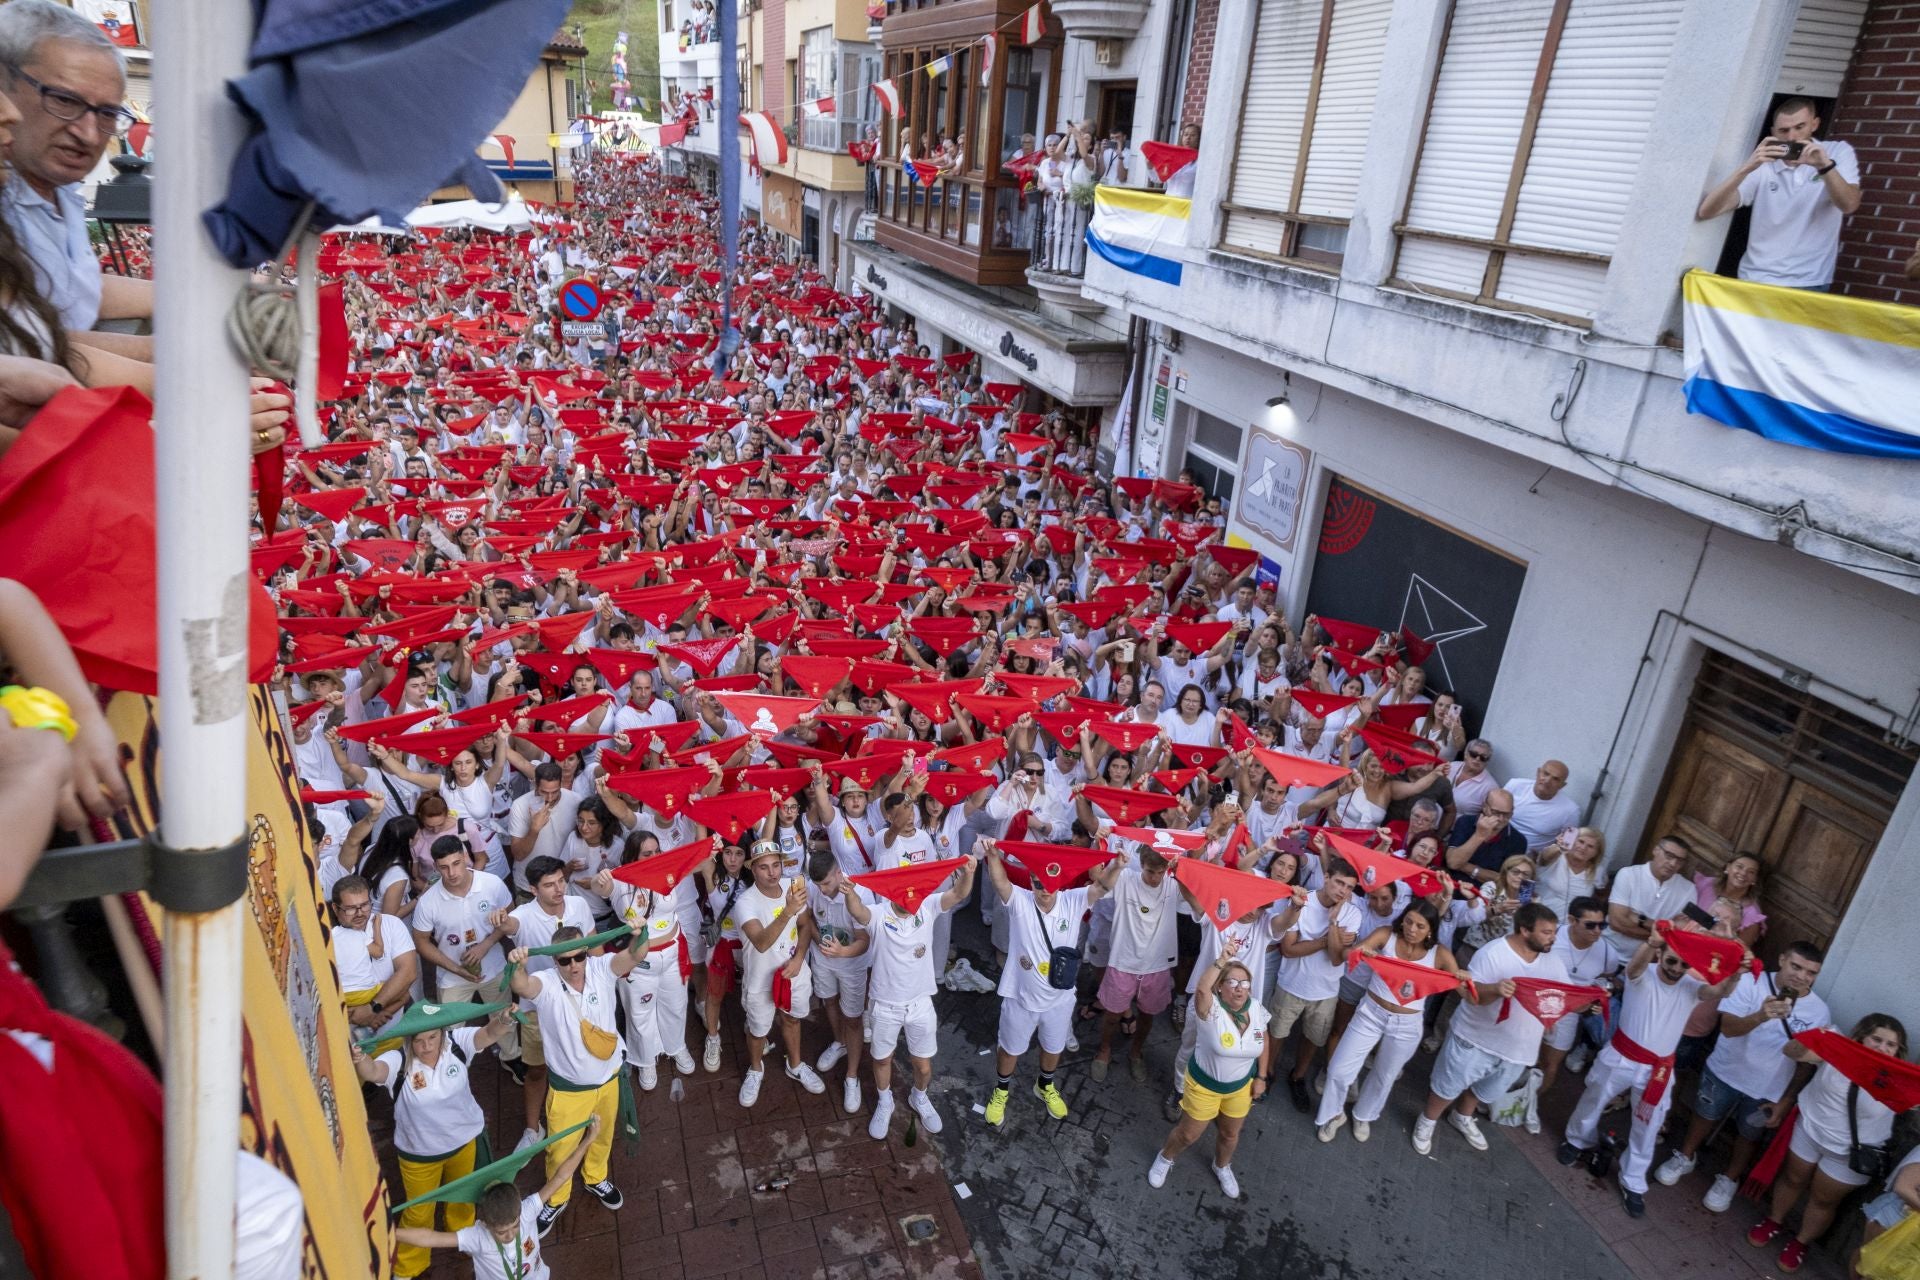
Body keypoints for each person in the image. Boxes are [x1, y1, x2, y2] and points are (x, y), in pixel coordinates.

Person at [1556, 933, 1742, 1218]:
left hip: (1658, 1070)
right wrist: (1652, 942)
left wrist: (1737, 972)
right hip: (1622, 1056)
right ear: (1659, 955)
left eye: (1682, 964)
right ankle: (1576, 1140)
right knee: (1593, 1099)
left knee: (1649, 1125)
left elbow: (1721, 992)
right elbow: (1632, 968)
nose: (1676, 969)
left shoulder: (1692, 986)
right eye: (1671, 961)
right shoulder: (1641, 974)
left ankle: (1632, 1181)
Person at [1655, 940, 1832, 1212]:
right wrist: (1761, 1015)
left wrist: (1785, 1102)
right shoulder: (1751, 981)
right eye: (1796, 966)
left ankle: (1729, 1179)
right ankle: (1686, 1156)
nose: (1802, 976)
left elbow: (1805, 1065)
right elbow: (1727, 1028)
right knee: (1704, 1116)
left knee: (1749, 1135)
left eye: (1811, 973)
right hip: (1724, 1070)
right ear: (1782, 959)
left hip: (1769, 1088)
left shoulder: (1819, 1011)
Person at [351, 1007, 515, 1279]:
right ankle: (407, 1267)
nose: (426, 1046)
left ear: (442, 1034)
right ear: (408, 1040)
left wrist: (504, 1020)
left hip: (464, 1144)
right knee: (418, 1212)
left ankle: (462, 1241)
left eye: (432, 1037)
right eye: (418, 1040)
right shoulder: (398, 1060)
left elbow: (488, 1034)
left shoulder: (458, 1044)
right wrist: (360, 1059)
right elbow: (373, 1071)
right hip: (419, 1156)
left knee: (463, 1202)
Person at [505, 926, 644, 1235]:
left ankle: (596, 1178)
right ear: (554, 961)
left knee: (603, 1136)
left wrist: (640, 931)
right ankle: (556, 1197)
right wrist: (517, 964)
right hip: (569, 1091)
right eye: (565, 961)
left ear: (585, 954)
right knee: (560, 1150)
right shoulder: (547, 983)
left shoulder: (600, 967)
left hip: (608, 1082)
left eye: (579, 956)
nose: (574, 966)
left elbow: (635, 954)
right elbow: (522, 985)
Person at [1750, 1016, 1909, 1274]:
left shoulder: (1899, 1078)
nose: (1882, 1048)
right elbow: (1792, 1051)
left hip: (1849, 1154)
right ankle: (1773, 1221)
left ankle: (1800, 1242)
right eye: (1876, 1039)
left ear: (1898, 1051)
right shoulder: (1837, 1045)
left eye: (1891, 1045)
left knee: (1823, 1200)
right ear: (1861, 1037)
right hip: (1810, 1130)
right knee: (1792, 1179)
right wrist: (1813, 1041)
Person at [842, 847, 979, 1140]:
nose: (908, 896)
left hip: (920, 1004)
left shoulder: (928, 906)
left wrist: (968, 873)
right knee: (881, 1059)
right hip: (885, 1004)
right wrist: (851, 893)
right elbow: (858, 911)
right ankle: (885, 1100)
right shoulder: (878, 914)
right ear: (891, 891)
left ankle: (919, 1096)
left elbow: (957, 894)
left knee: (924, 1065)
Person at [980, 835, 1115, 1126]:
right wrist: (993, 855)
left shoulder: (1072, 900)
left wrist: (1117, 866)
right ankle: (1001, 1091)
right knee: (1010, 1049)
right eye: (1038, 883)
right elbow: (1000, 882)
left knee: (1053, 1047)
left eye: (1050, 885)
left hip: (1060, 999)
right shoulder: (1020, 901)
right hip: (1021, 998)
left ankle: (1045, 1085)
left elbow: (1102, 886)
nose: (1044, 891)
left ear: (1060, 884)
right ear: (1030, 880)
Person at [1413, 903, 1566, 1156]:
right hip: (1475, 1040)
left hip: (1518, 1049)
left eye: (1553, 932)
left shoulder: (1554, 961)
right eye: (1547, 932)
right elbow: (1469, 996)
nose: (1554, 938)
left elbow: (1561, 995)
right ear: (1525, 931)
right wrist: (1495, 989)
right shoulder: (1493, 953)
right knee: (1446, 1087)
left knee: (1483, 1091)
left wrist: (1588, 1004)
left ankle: (1462, 1116)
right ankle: (1427, 1121)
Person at [1315, 900, 1463, 1144]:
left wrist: (1464, 977)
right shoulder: (1387, 935)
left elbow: (1464, 990)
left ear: (1431, 930)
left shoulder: (1440, 954)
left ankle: (1364, 1115)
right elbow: (1345, 955)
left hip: (1407, 1024)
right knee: (1339, 1069)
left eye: (1420, 926)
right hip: (1370, 1013)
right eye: (1408, 921)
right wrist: (1361, 952)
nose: (1411, 929)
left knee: (1385, 1075)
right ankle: (1334, 1113)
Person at [391, 1114, 602, 1277]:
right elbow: (430, 1238)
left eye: (514, 1225)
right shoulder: (478, 1237)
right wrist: (391, 1233)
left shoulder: (527, 1211)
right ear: (485, 1224)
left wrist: (588, 1140)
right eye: (501, 1232)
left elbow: (560, 1177)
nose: (510, 1235)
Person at [1696, 97, 1862, 290]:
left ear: (1815, 124)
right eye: (1784, 131)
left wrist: (1824, 166)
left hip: (1810, 280)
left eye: (1800, 127)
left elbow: (1849, 204)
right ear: (1773, 133)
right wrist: (1747, 168)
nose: (1792, 137)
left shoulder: (1837, 151)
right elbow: (1707, 211)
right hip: (1756, 277)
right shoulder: (1764, 163)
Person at [1146, 936, 1268, 1198]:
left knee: (1229, 1135)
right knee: (1188, 1135)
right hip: (1205, 1087)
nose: (1239, 988)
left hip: (1239, 1088)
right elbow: (1202, 989)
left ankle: (1222, 1166)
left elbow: (1264, 1038)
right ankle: (1166, 1158)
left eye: (1244, 983)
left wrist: (1261, 1076)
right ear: (1220, 987)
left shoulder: (1256, 1008)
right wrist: (1222, 959)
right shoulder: (1210, 1010)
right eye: (1232, 982)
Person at [491, 856, 597, 1148]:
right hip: (537, 1009)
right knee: (537, 1070)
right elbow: (509, 924)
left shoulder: (580, 905)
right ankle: (532, 1128)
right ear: (533, 889)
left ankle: (586, 1118)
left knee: (583, 1060)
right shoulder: (523, 915)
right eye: (549, 885)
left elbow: (594, 945)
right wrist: (502, 919)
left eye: (561, 881)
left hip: (581, 1003)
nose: (559, 888)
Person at [735, 838, 826, 1106]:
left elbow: (805, 925)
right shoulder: (745, 902)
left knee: (792, 1019)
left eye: (777, 865)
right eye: (764, 867)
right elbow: (761, 942)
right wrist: (787, 911)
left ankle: (795, 1065)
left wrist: (799, 959)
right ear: (753, 869)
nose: (773, 873)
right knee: (757, 1030)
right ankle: (755, 1069)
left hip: (793, 971)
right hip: (760, 979)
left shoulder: (791, 886)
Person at [1269, 855, 1362, 1112]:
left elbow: (1335, 959)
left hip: (1326, 991)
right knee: (1276, 1033)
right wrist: (1327, 939)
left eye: (1349, 887)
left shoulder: (1352, 914)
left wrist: (1333, 921)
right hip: (1290, 984)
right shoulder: (1301, 903)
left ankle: (1297, 1077)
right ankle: (1267, 1073)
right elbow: (1288, 949)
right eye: (1339, 883)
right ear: (1327, 877)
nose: (1343, 891)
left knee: (1313, 1038)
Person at [1091, 843, 1181, 1084]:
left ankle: (1136, 1052)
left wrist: (1183, 873)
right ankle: (1104, 1050)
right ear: (1141, 865)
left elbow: (1198, 904)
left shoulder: (1174, 884)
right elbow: (1098, 883)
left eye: (1160, 872)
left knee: (1148, 1015)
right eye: (1151, 871)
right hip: (1122, 962)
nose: (1155, 878)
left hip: (1158, 966)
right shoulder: (1126, 879)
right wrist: (1105, 854)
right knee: (1112, 1015)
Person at [805, 843, 873, 1115]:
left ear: (839, 873)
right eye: (818, 884)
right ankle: (839, 1043)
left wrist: (842, 952)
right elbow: (808, 917)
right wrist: (817, 937)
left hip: (852, 964)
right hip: (822, 958)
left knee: (854, 1018)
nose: (822, 890)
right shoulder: (813, 887)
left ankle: (852, 1077)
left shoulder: (859, 893)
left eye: (827, 882)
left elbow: (864, 940)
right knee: (829, 1002)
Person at [1536, 895, 1618, 1094]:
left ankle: (1527, 1107)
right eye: (1590, 925)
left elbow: (1608, 978)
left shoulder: (1608, 952)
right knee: (1523, 1055)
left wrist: (1600, 995)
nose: (1597, 931)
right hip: (1538, 1001)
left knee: (1550, 1063)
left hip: (1570, 1011)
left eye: (1602, 925)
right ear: (1572, 920)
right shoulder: (1552, 936)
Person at [329, 874, 418, 1040]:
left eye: (364, 905)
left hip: (394, 1032)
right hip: (348, 1037)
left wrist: (372, 1009)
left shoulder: (391, 924)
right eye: (350, 908)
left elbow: (408, 973)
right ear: (335, 908)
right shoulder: (328, 938)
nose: (360, 913)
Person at [1602, 834, 1694, 967]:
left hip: (1647, 964)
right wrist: (1660, 934)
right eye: (1669, 855)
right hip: (1608, 951)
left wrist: (1640, 919)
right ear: (1656, 850)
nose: (1673, 863)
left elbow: (1678, 935)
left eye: (1680, 860)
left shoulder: (1688, 890)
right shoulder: (1628, 875)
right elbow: (1616, 922)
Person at [1444, 787, 1526, 884]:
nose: (1501, 818)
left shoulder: (1518, 841)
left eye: (1506, 814)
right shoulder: (1465, 822)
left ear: (1512, 812)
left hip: (1484, 894)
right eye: (1495, 812)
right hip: (1451, 884)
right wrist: (1479, 836)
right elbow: (1453, 862)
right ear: (1484, 807)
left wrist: (1465, 866)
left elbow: (1505, 880)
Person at [1503, 760, 1576, 852]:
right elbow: (1493, 811)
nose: (1547, 781)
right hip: (1497, 844)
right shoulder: (1515, 785)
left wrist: (1545, 858)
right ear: (1538, 772)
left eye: (1555, 779)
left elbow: (1567, 845)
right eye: (1545, 774)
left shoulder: (1571, 811)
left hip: (1526, 859)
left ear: (1562, 785)